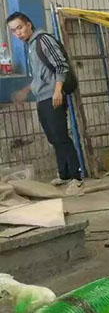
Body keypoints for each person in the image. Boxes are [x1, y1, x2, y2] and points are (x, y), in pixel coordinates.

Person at [6, 11, 83, 192]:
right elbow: (41, 75)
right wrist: (26, 91)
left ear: (28, 25)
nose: (18, 33)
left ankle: (76, 178)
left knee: (61, 137)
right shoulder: (31, 45)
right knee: (53, 138)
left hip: (53, 96)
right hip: (43, 97)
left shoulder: (43, 40)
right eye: (13, 31)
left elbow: (61, 65)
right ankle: (64, 175)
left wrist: (57, 91)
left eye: (20, 28)